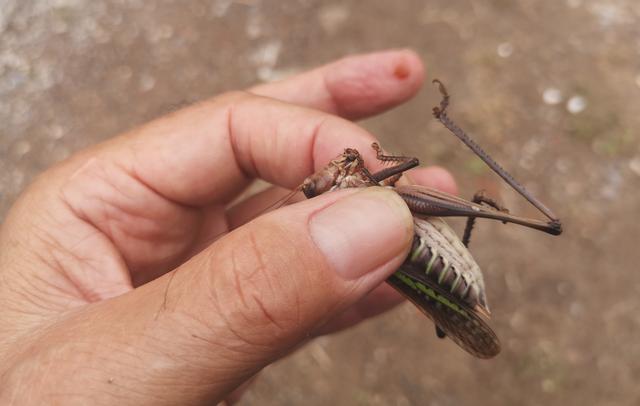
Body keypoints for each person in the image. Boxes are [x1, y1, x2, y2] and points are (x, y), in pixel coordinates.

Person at [0, 49, 456, 404]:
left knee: (460, 201)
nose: (340, 163)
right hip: (419, 262)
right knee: (438, 267)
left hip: (421, 242)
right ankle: (451, 309)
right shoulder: (349, 213)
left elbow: (403, 164)